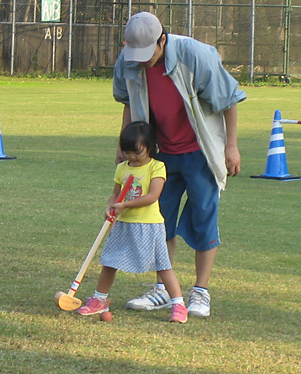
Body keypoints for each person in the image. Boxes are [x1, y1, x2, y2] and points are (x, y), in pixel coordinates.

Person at [113, 12, 247, 317]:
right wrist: (123, 146)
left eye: (149, 54)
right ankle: (163, 290)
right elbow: (127, 104)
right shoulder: (129, 59)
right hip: (159, 154)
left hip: (201, 151)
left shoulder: (196, 55)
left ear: (163, 40)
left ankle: (200, 292)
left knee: (203, 220)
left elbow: (228, 100)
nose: (142, 61)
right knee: (160, 221)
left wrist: (232, 146)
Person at [77, 121, 188, 323]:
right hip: (123, 224)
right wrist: (110, 207)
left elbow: (152, 196)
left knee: (162, 266)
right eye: (127, 152)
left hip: (149, 225)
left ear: (150, 147)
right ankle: (99, 299)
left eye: (137, 152)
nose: (132, 157)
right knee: (109, 262)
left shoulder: (157, 167)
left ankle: (179, 305)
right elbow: (116, 194)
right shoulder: (122, 168)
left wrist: (125, 206)